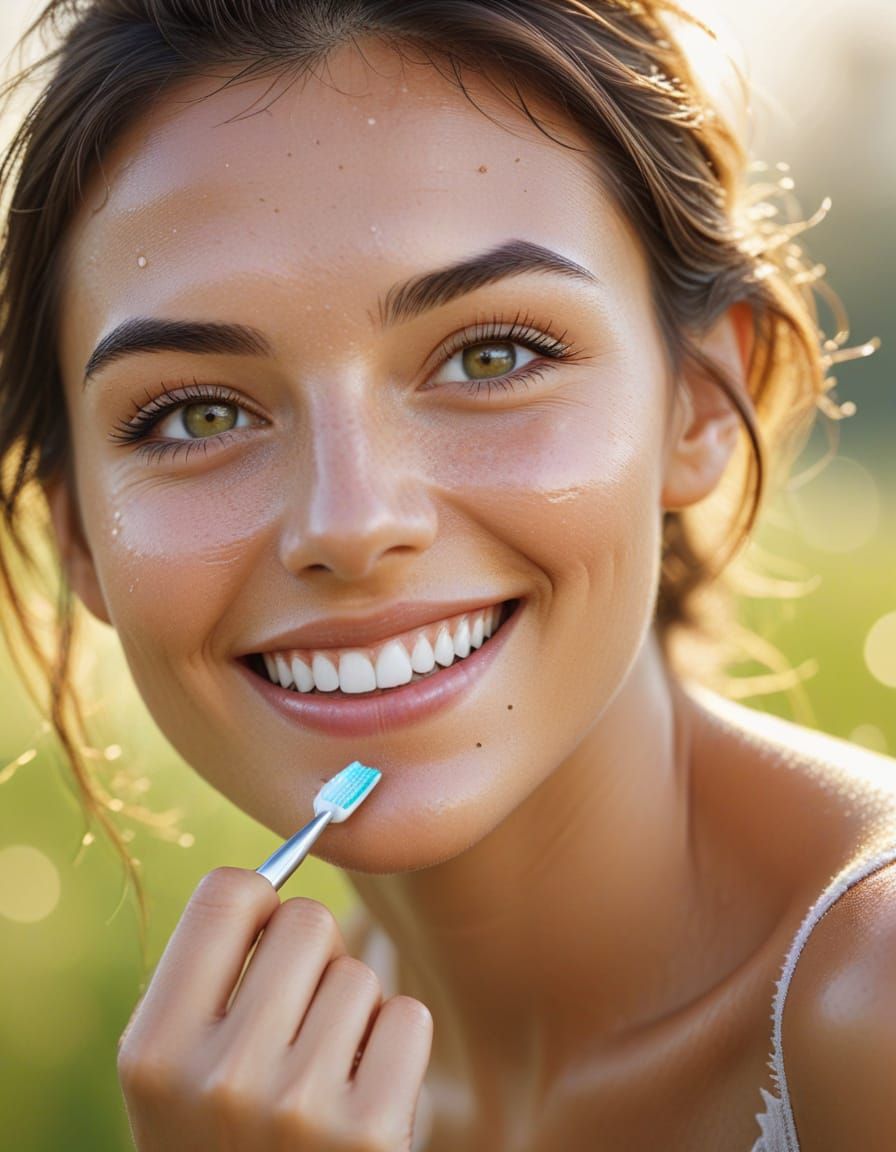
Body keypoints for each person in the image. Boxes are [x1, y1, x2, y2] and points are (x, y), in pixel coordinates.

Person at [0, 1, 892, 1149]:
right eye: (198, 413)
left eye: (490, 356)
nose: (351, 520)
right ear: (79, 535)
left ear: (701, 401)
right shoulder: (261, 1092)